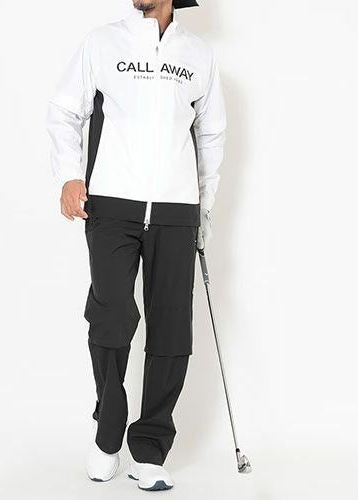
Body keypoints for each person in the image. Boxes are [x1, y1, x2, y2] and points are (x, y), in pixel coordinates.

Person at [46, 0, 225, 491]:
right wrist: (69, 175)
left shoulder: (198, 55)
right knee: (111, 315)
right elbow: (64, 110)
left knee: (172, 328)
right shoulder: (102, 42)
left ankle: (149, 448)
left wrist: (204, 207)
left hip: (176, 210)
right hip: (111, 205)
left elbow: (211, 134)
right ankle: (108, 433)